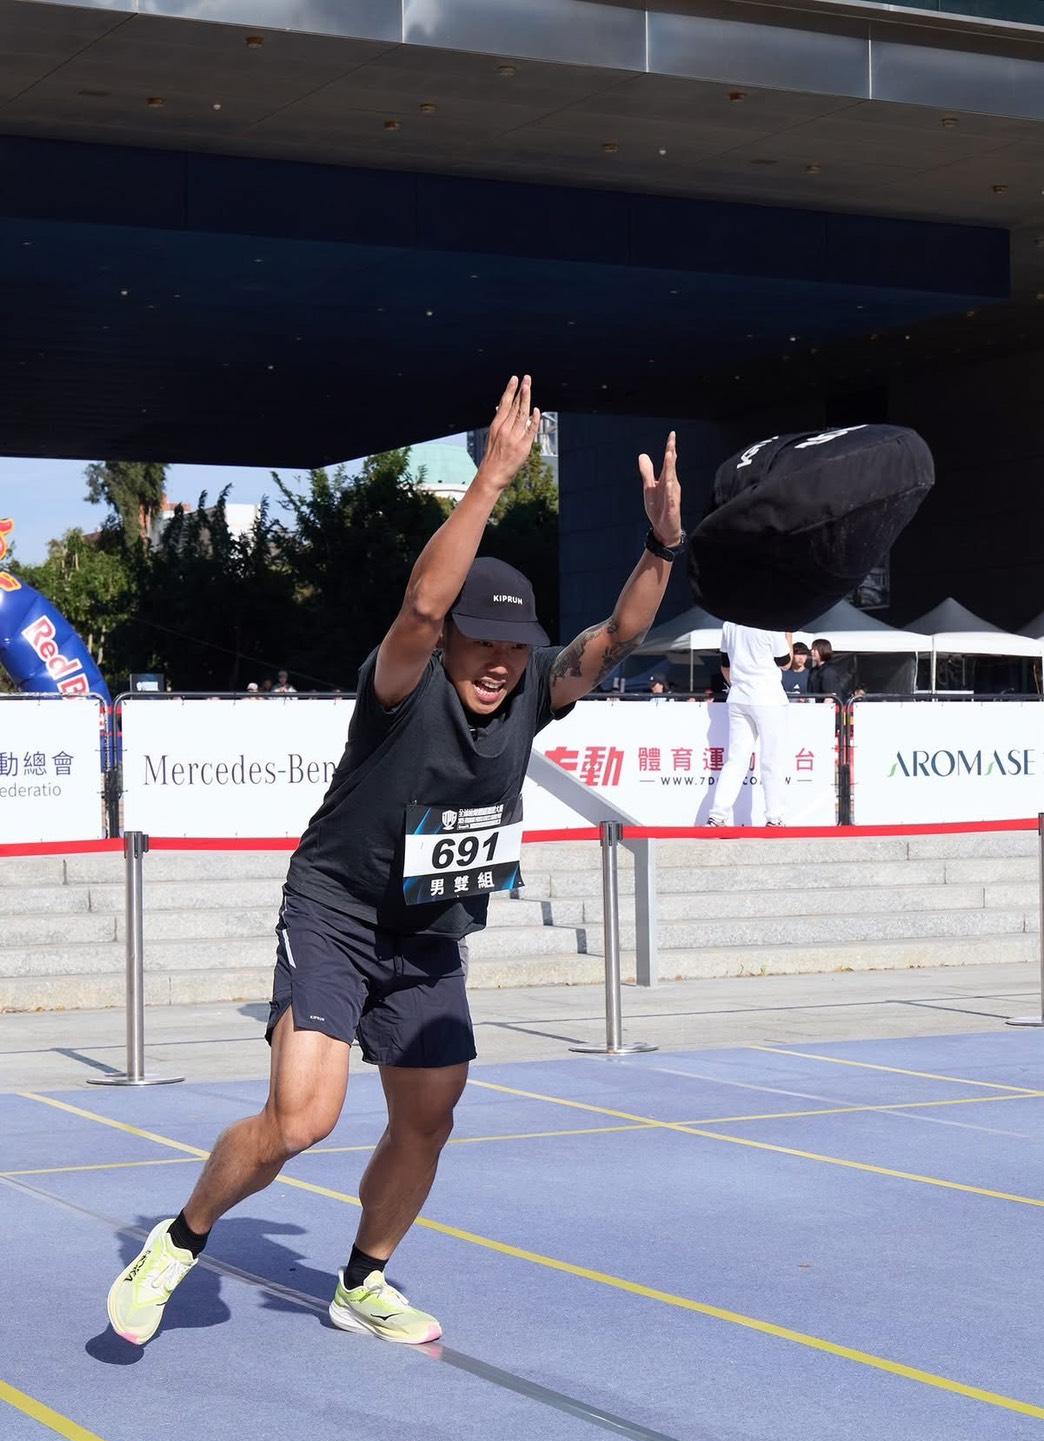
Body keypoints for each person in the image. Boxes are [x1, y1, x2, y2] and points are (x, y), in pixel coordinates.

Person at [106, 375, 683, 1349]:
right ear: (450, 638)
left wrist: (663, 544)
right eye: (481, 639)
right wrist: (492, 479)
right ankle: (181, 1237)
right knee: (301, 1120)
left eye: (515, 645)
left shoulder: (536, 691)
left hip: (429, 932)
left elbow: (622, 632)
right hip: (336, 912)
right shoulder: (402, 688)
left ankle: (363, 1281)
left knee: (430, 1117)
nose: (499, 661)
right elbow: (419, 603)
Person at [706, 622, 792, 828]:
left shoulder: (729, 624)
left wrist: (739, 684)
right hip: (768, 697)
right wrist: (789, 632)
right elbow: (786, 663)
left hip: (739, 697)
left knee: (735, 760)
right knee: (771, 760)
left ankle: (717, 815)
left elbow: (725, 664)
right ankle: (774, 817)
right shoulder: (771, 624)